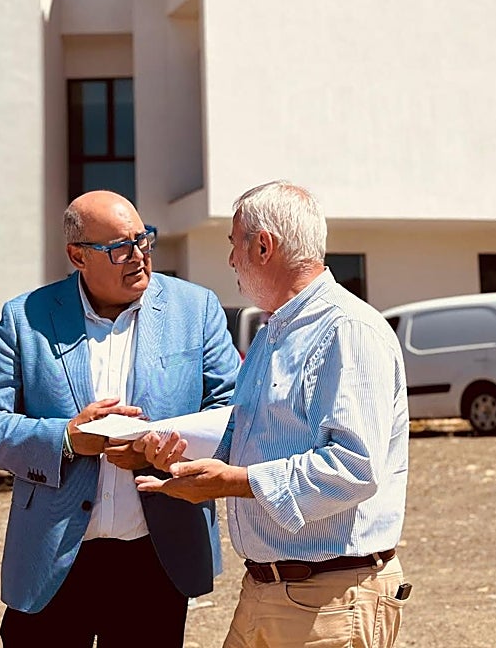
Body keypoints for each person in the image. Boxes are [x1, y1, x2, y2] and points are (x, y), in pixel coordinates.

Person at [136, 181, 411, 648]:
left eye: (233, 245)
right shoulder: (272, 332)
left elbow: (354, 468)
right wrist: (174, 459)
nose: (229, 263)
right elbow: (251, 435)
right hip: (269, 590)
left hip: (328, 598)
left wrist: (236, 482)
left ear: (263, 246)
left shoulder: (348, 329)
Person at [0, 190, 240, 647]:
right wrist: (67, 438)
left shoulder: (196, 309)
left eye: (143, 240)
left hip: (156, 555)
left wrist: (167, 449)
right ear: (77, 255)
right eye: (119, 248)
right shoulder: (26, 317)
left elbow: (232, 414)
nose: (139, 257)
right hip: (54, 557)